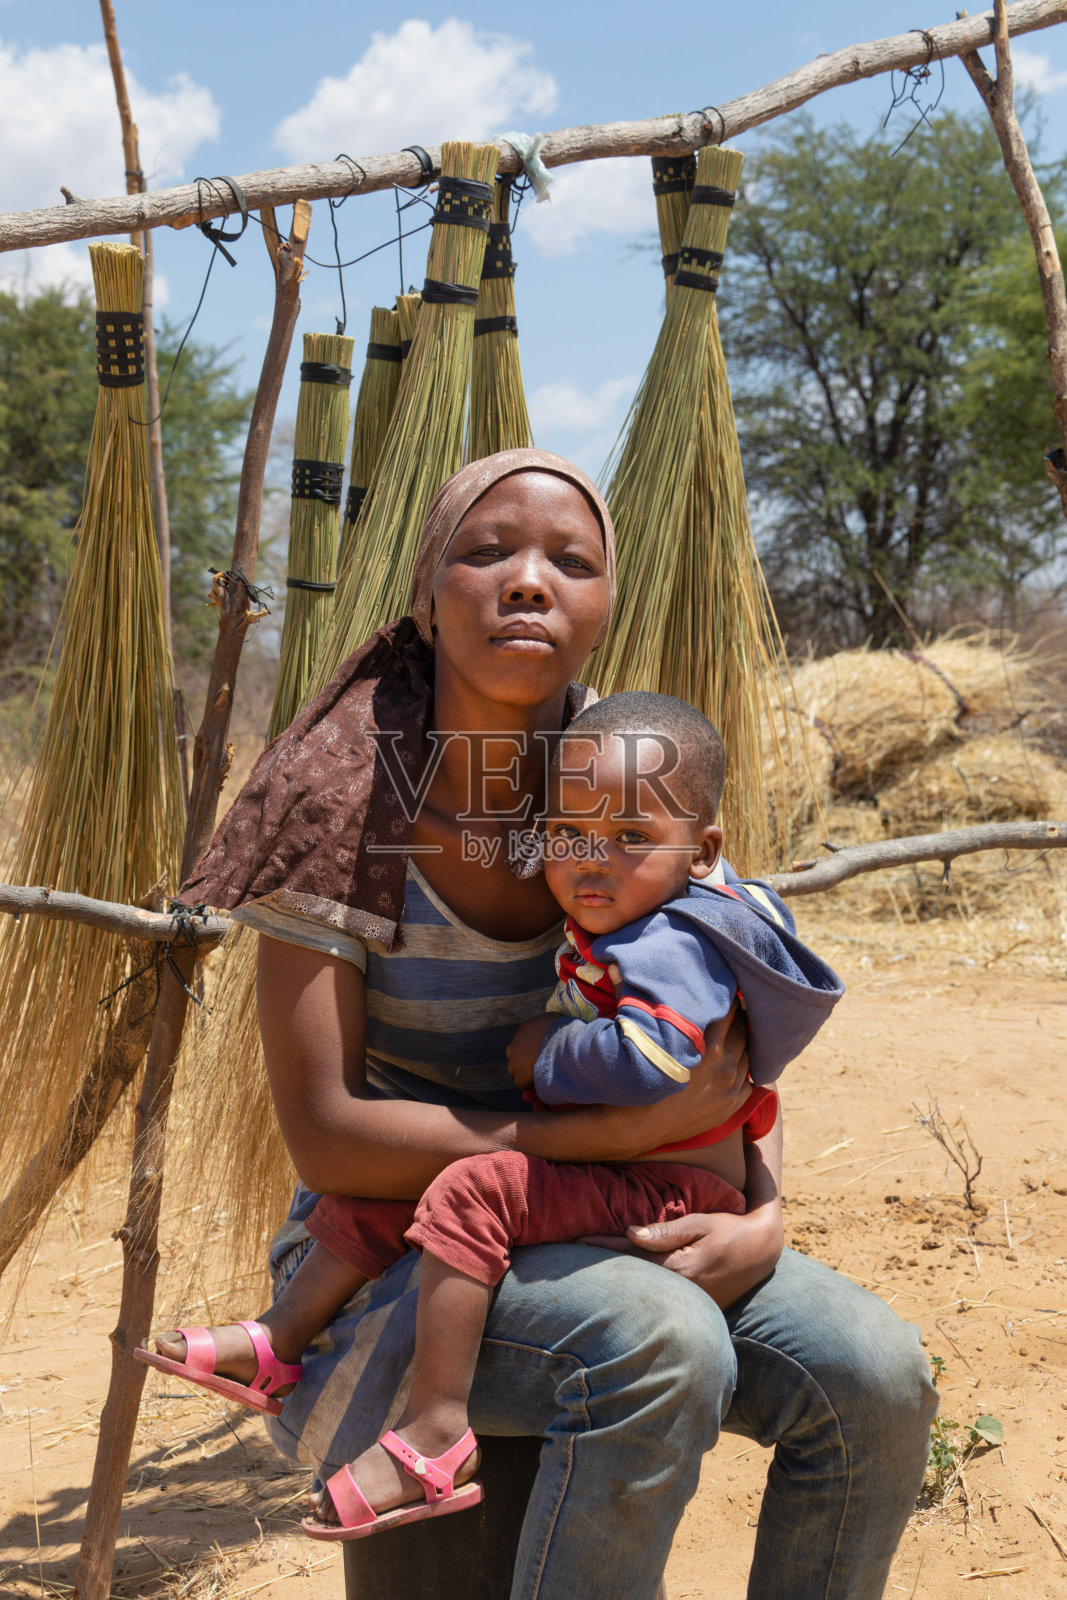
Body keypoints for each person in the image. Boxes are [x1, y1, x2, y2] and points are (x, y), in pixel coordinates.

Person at [161, 450, 937, 1597]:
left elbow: (723, 1034)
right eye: (486, 552)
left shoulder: (635, 773)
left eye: (570, 562)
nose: (529, 580)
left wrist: (764, 1214)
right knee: (658, 1343)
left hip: (626, 1208)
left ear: (603, 605)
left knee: (872, 1372)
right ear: (426, 598)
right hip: (394, 1245)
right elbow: (327, 1138)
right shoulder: (337, 803)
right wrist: (600, 1138)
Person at [140, 692, 845, 1541]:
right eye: (568, 835)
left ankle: (435, 1431)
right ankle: (278, 1341)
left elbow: (655, 1062)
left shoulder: (672, 943)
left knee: (470, 1191)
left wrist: (548, 1051)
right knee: (395, 1187)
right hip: (620, 1163)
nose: (592, 861)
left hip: (660, 1188)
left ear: (702, 854)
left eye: (629, 838)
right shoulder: (650, 902)